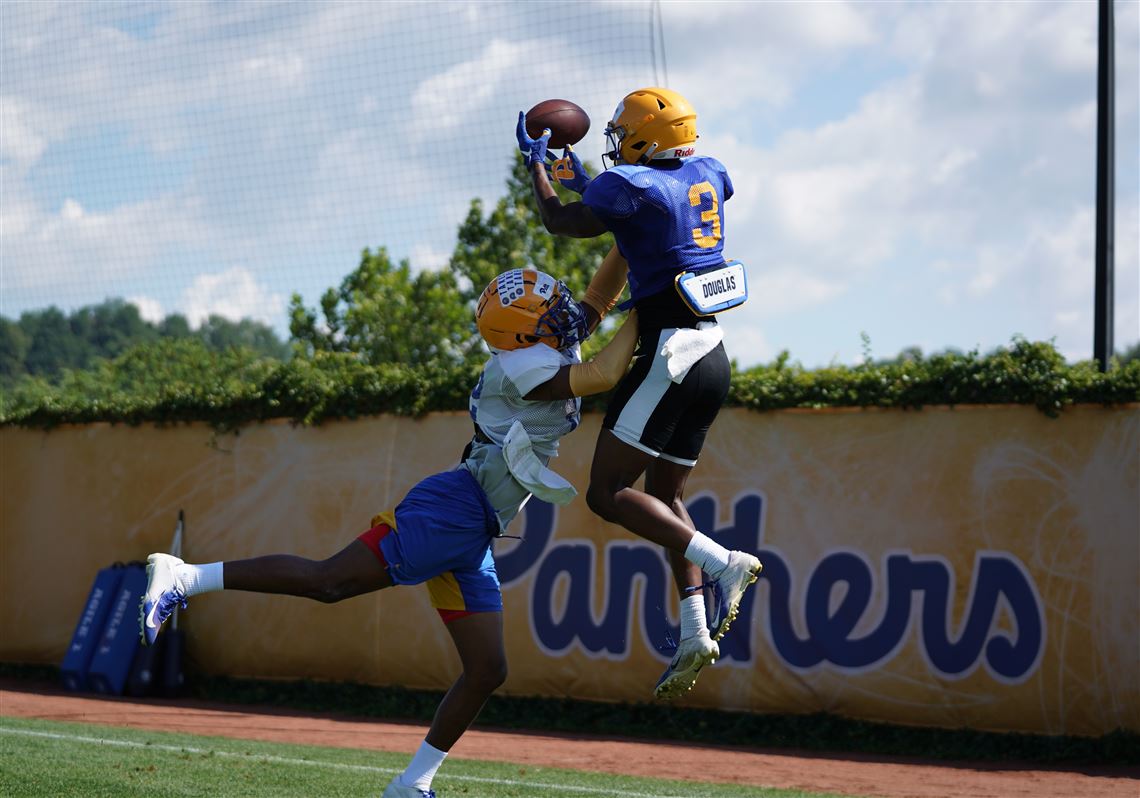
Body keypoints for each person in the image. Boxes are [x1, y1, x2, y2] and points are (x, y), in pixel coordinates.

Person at [138, 267, 639, 798]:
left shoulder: (543, 337)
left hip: (476, 524)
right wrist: (656, 306)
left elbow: (597, 298)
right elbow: (604, 374)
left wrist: (637, 233)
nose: (565, 313)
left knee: (487, 668)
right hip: (455, 510)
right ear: (522, 334)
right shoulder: (523, 365)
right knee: (327, 581)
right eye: (549, 309)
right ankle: (185, 577)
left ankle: (412, 785)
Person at [516, 87, 762, 700]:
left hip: (668, 355)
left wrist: (540, 170)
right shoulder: (708, 174)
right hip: (713, 355)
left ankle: (723, 560)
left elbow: (562, 222)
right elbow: (647, 210)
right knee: (665, 496)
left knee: (607, 493)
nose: (617, 139)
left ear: (646, 137)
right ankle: (695, 629)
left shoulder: (635, 187)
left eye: (625, 131)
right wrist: (590, 179)